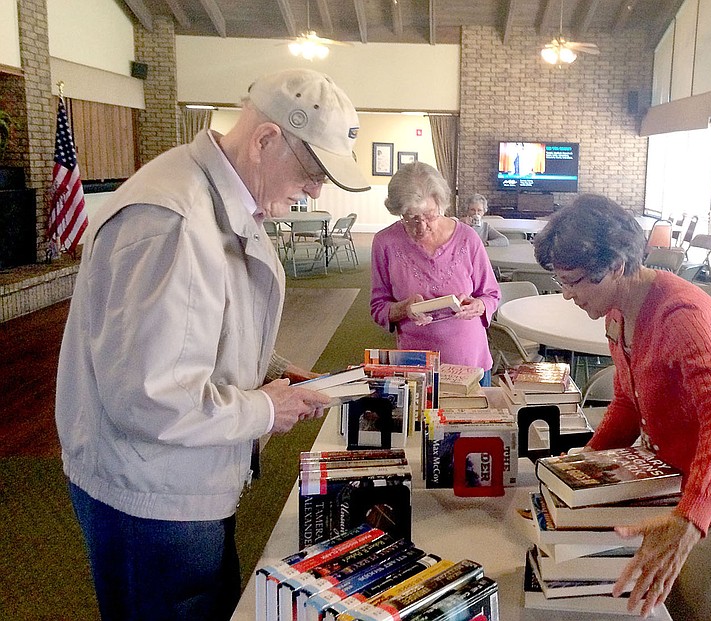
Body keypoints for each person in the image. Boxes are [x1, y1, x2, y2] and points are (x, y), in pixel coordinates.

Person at [55, 68, 370, 620]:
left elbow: (198, 332)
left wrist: (269, 369)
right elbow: (151, 398)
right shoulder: (174, 219)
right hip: (151, 495)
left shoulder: (208, 194)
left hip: (179, 478)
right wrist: (266, 406)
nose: (317, 190)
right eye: (313, 170)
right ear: (266, 139)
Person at [534, 194, 711, 621]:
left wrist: (690, 520)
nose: (567, 295)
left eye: (574, 282)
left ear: (615, 266)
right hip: (681, 489)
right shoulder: (619, 311)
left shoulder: (683, 316)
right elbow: (629, 401)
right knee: (673, 609)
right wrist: (584, 465)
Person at [370, 162, 500, 385]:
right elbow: (378, 307)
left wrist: (478, 306)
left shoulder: (468, 238)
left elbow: (492, 295)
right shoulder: (385, 243)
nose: (421, 227)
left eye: (430, 215)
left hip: (470, 361)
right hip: (415, 366)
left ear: (441, 205)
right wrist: (403, 309)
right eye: (411, 218)